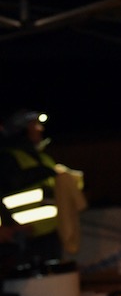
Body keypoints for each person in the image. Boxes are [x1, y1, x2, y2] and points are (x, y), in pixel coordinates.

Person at [0, 109, 87, 266]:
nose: (41, 129)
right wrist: (9, 225)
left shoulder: (44, 158)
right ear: (22, 130)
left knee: (53, 279)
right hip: (21, 235)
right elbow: (10, 184)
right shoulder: (8, 157)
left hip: (51, 233)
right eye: (35, 126)